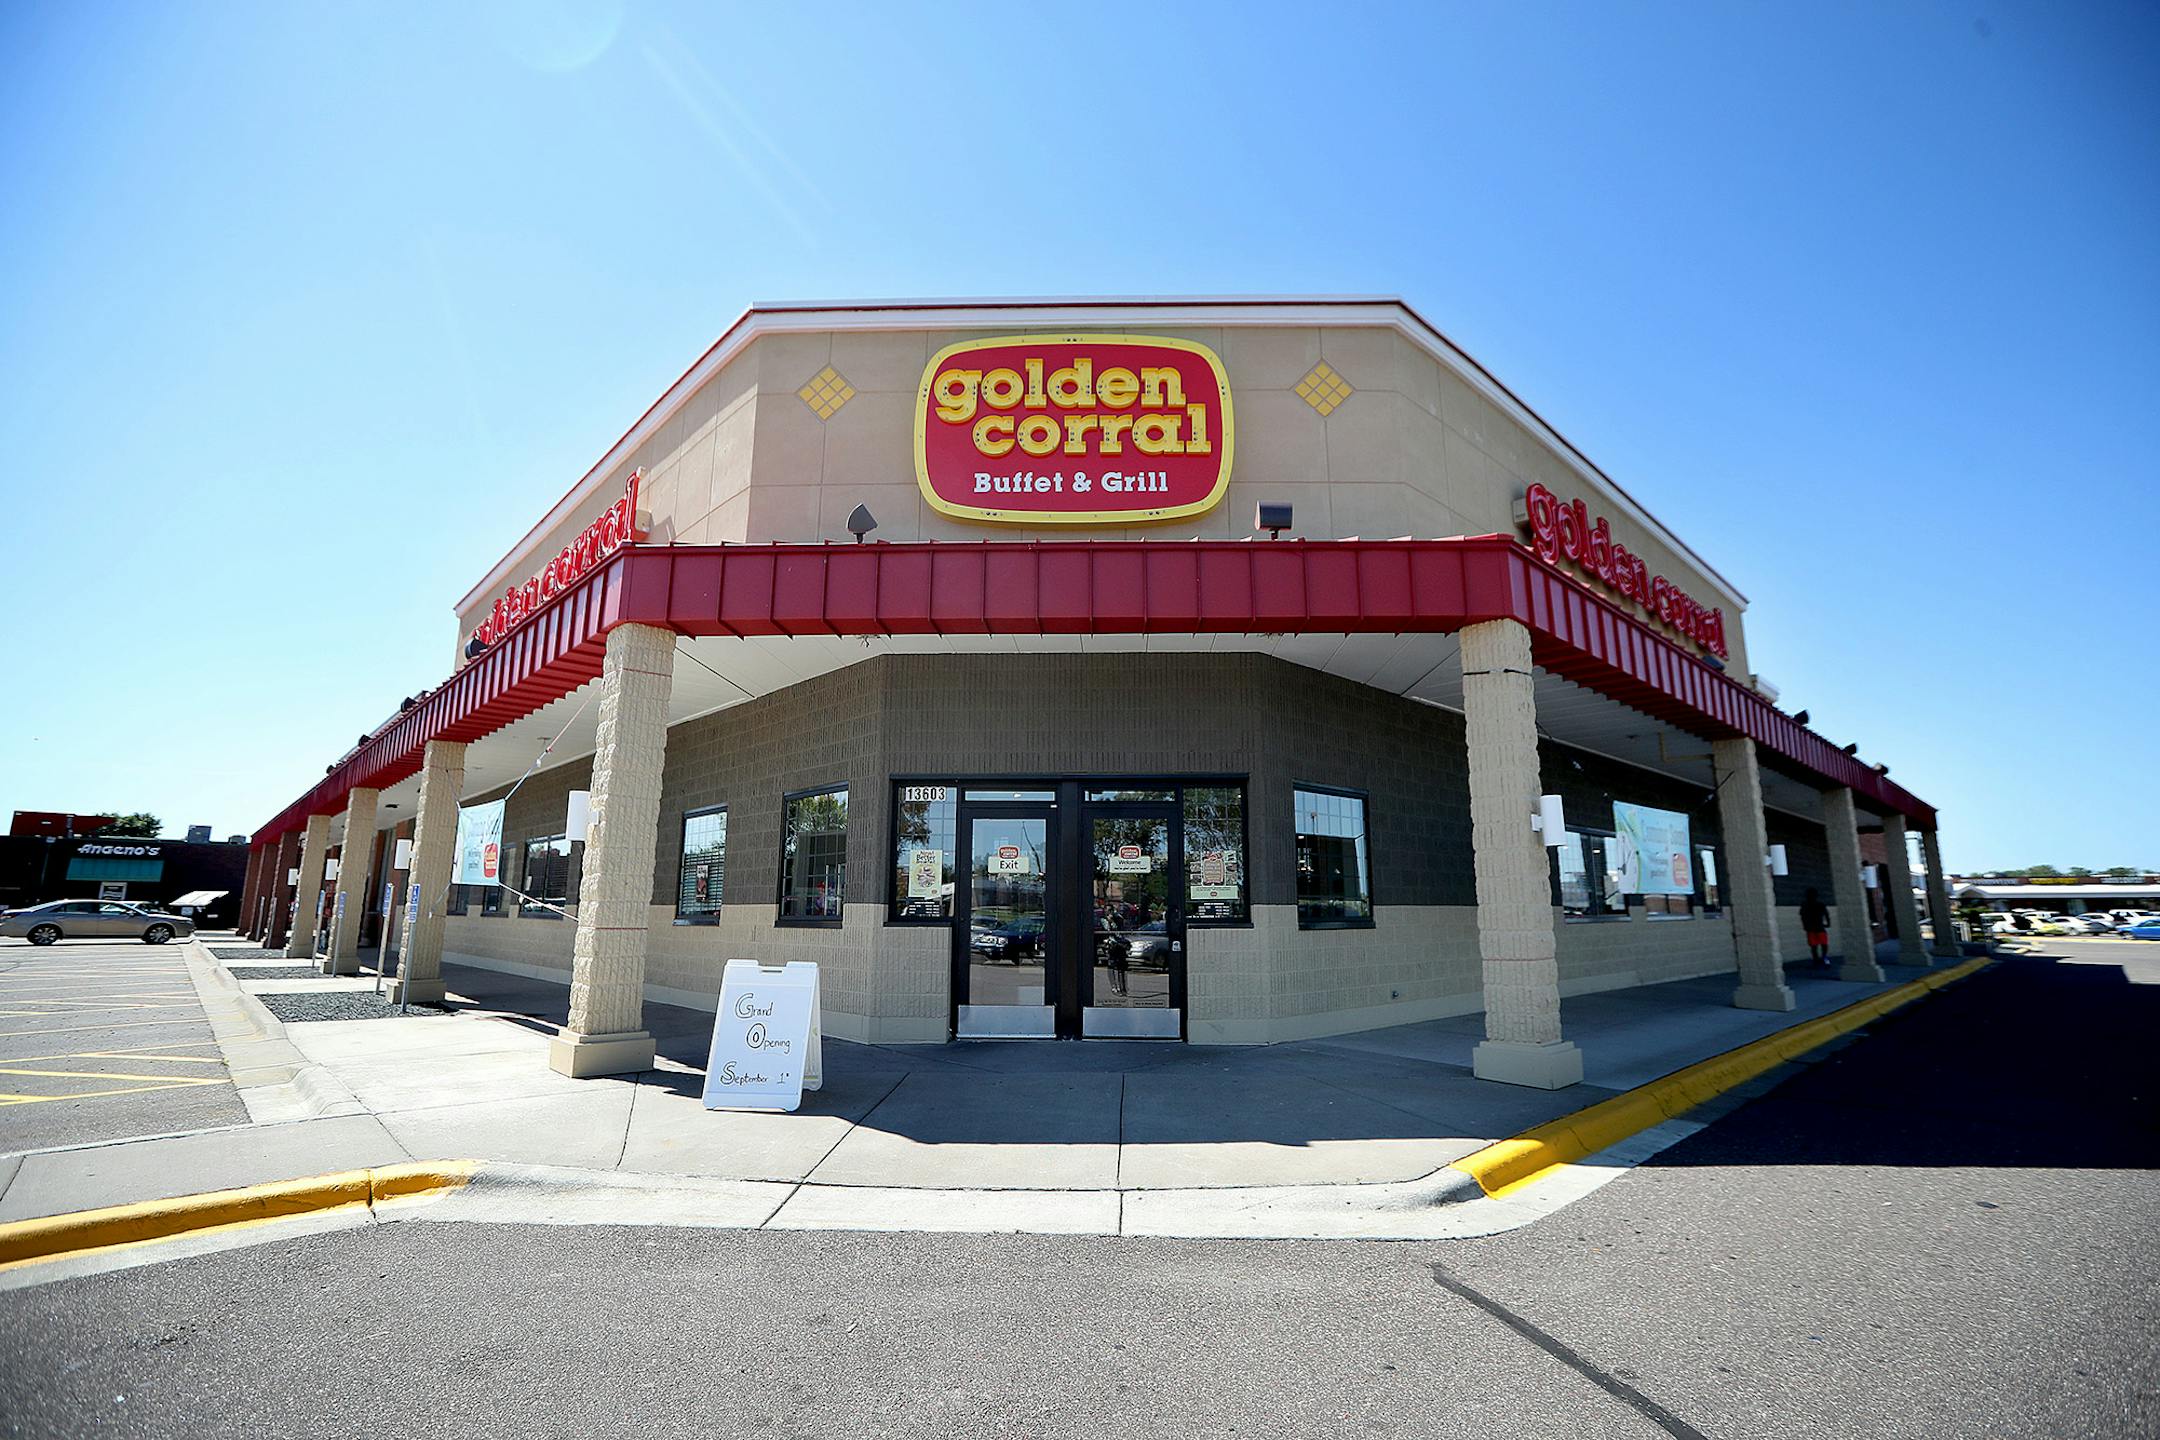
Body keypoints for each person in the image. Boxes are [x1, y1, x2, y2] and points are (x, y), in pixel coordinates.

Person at [1800, 887, 1832, 966]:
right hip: (1819, 927)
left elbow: (1803, 916)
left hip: (1811, 928)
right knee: (1823, 944)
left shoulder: (1805, 905)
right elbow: (1826, 914)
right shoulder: (1820, 904)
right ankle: (1823, 958)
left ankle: (1816, 959)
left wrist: (1805, 925)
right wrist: (1828, 923)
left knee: (1814, 946)